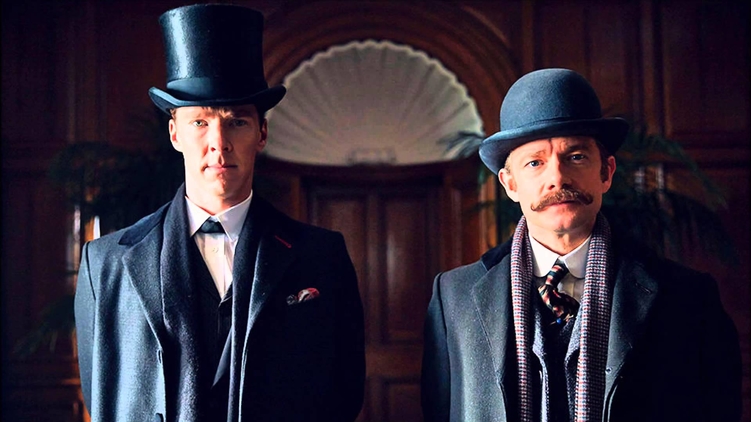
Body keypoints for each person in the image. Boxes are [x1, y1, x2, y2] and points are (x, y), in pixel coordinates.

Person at [74, 4, 365, 421]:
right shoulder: (106, 263)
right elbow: (102, 394)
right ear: (174, 133)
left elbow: (344, 394)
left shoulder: (321, 256)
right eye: (200, 123)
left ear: (262, 133)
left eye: (236, 122)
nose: (219, 143)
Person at [421, 68, 741, 422]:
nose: (557, 177)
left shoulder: (686, 297)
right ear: (510, 185)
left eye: (575, 157)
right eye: (535, 162)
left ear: (606, 172)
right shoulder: (454, 299)